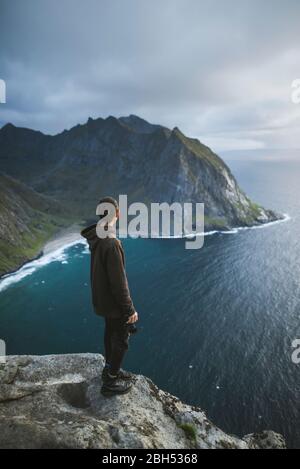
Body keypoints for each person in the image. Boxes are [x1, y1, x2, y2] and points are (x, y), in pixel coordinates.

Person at [81, 196, 138, 397]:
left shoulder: (98, 237)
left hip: (102, 300)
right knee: (121, 339)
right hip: (114, 303)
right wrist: (129, 309)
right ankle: (110, 381)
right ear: (118, 214)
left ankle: (110, 367)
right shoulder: (111, 243)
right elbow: (119, 282)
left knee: (110, 333)